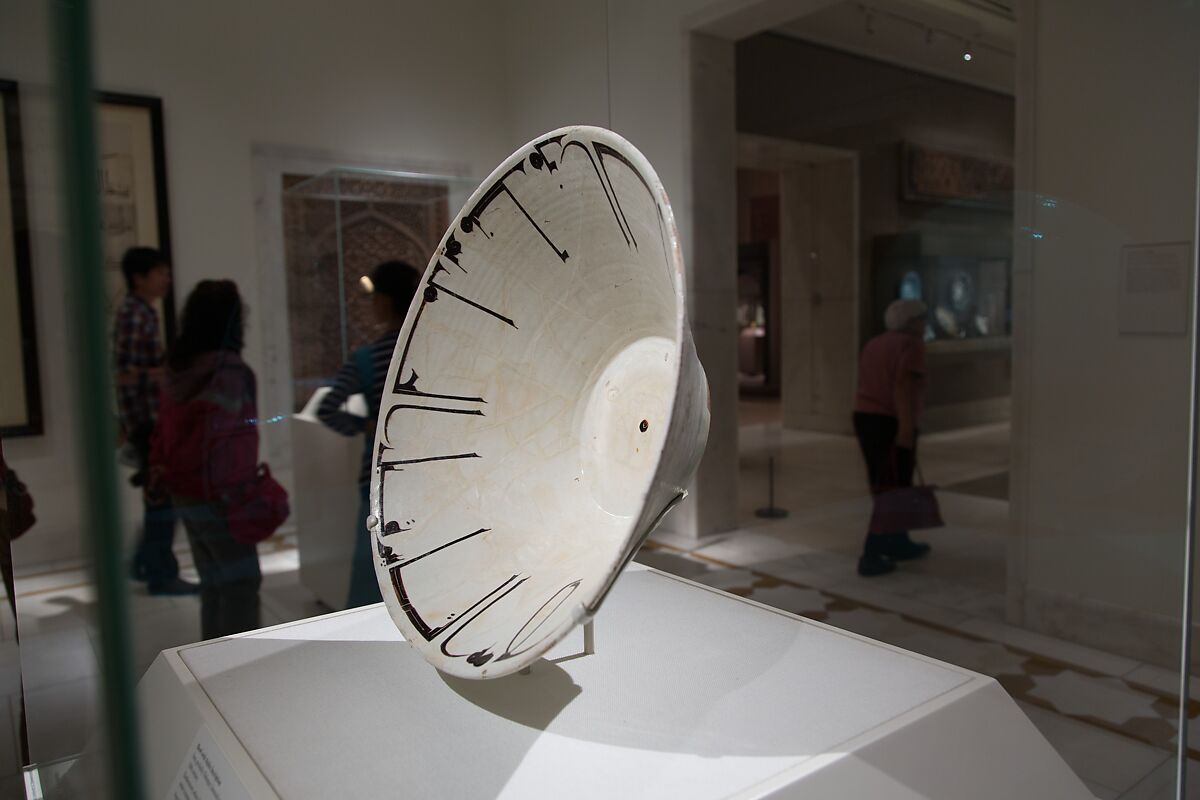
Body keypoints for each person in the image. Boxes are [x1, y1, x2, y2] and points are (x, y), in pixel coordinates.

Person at [150, 280, 261, 638]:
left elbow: (164, 429)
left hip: (185, 491)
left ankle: (212, 663)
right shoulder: (227, 373)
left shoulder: (177, 368)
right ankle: (237, 676)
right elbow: (231, 442)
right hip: (222, 495)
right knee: (241, 586)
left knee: (214, 582)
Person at [317, 260, 419, 608]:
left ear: (387, 300)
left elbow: (326, 409)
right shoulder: (426, 349)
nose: (372, 304)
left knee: (371, 574)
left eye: (375, 297)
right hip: (430, 474)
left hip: (381, 478)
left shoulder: (368, 357)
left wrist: (366, 426)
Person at [112, 247, 197, 595]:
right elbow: (124, 376)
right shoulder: (135, 315)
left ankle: (146, 563)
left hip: (148, 421)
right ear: (140, 277)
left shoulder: (141, 312)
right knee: (162, 498)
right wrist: (165, 375)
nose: (166, 279)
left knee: (157, 497)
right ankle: (160, 573)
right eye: (159, 273)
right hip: (148, 422)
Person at [852, 298, 933, 577]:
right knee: (893, 485)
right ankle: (871, 553)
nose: (925, 324)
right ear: (912, 322)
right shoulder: (911, 346)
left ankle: (898, 541)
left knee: (887, 483)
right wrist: (907, 431)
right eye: (923, 319)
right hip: (891, 421)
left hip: (866, 418)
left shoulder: (875, 343)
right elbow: (903, 387)